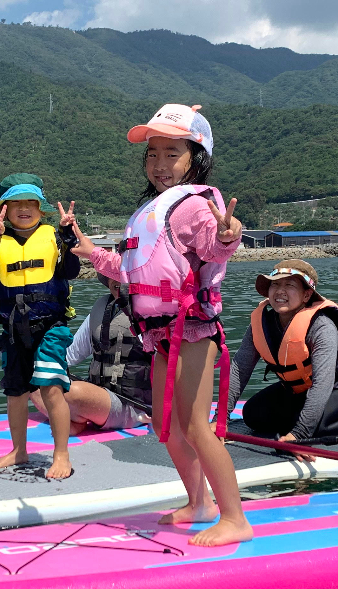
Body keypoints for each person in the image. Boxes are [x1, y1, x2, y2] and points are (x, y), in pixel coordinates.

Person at [69, 104, 249, 547]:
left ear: (196, 157)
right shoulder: (152, 210)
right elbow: (132, 266)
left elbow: (213, 245)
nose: (159, 164)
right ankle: (199, 502)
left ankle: (234, 517)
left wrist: (228, 235)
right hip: (157, 336)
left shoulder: (194, 206)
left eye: (172, 153)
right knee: (163, 424)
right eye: (152, 154)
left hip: (192, 331)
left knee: (194, 426)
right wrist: (92, 252)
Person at [0, 173, 80, 480]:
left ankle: (61, 455)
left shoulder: (54, 236)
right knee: (15, 392)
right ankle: (19, 449)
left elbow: (70, 271)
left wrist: (69, 235)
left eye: (30, 202)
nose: (23, 208)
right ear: (3, 208)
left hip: (50, 326)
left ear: (41, 208)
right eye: (15, 202)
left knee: (51, 387)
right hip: (12, 329)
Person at [225, 259, 338, 461]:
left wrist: (299, 435)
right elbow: (240, 368)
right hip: (300, 390)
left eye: (289, 285)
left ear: (307, 295)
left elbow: (323, 384)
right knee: (252, 414)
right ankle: (303, 420)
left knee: (317, 428)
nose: (280, 291)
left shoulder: (322, 327)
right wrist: (220, 418)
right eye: (275, 284)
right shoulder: (262, 323)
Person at [30, 271, 153, 434]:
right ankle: (75, 419)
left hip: (135, 405)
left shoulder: (150, 313)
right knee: (30, 381)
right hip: (99, 395)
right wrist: (35, 358)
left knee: (72, 393)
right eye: (113, 272)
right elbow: (70, 355)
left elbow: (168, 363)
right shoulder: (102, 308)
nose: (118, 282)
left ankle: (74, 419)